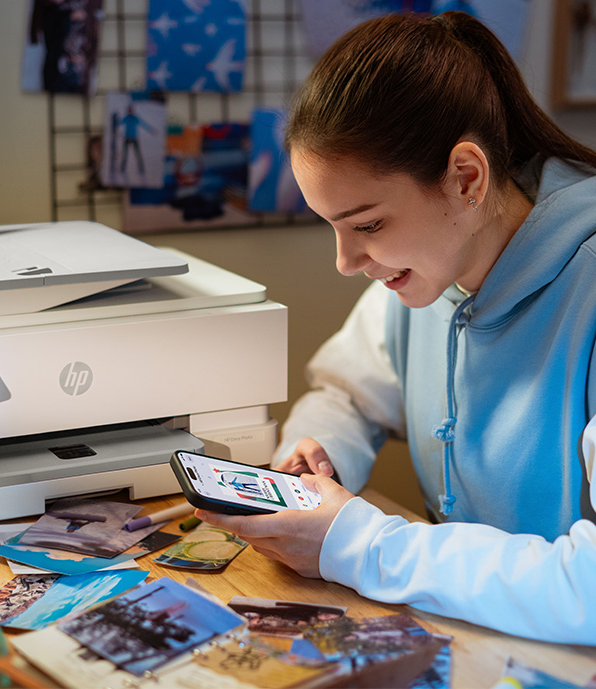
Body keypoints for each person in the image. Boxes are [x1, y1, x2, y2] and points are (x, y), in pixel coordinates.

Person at [196, 11, 596, 645]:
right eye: (332, 226)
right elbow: (349, 394)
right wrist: (319, 451)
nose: (346, 263)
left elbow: (591, 589)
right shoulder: (430, 271)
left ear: (466, 177)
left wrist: (358, 543)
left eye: (368, 225)